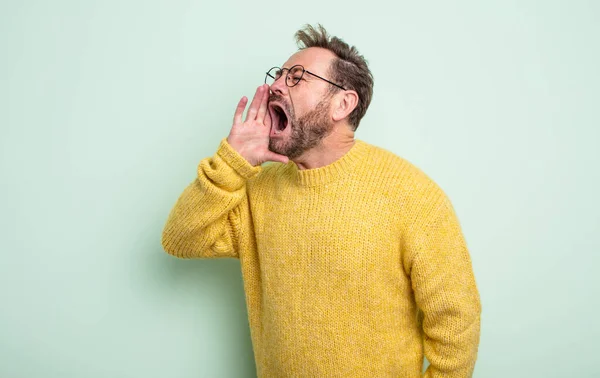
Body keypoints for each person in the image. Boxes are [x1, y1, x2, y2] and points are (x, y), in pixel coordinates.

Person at [161, 24, 481, 378]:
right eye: (278, 75)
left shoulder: (412, 195)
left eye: (297, 77)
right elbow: (181, 239)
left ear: (343, 103)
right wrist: (233, 162)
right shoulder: (258, 189)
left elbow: (456, 317)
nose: (275, 86)